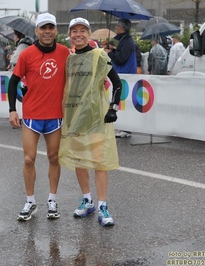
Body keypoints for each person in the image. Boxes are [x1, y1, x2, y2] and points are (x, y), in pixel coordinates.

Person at [59, 17, 121, 227]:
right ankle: (87, 201)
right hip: (74, 117)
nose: (78, 34)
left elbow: (117, 82)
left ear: (89, 34)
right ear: (70, 35)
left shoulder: (99, 55)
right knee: (79, 159)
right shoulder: (68, 59)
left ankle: (103, 206)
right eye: (74, 30)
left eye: (82, 30)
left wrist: (113, 108)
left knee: (98, 161)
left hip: (95, 116)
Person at [8, 13, 70, 221]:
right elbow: (13, 81)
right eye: (43, 28)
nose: (47, 31)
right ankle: (30, 201)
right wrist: (12, 109)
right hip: (32, 116)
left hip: (55, 116)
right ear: (36, 31)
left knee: (54, 158)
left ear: (55, 30)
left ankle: (52, 200)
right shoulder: (27, 54)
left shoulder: (64, 53)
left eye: (50, 27)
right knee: (29, 158)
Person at [105, 18, 136, 138]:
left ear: (122, 28)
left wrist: (110, 53)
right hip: (125, 74)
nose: (115, 27)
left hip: (125, 74)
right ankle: (125, 128)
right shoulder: (125, 40)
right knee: (123, 102)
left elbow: (120, 59)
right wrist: (113, 50)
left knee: (124, 102)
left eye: (117, 25)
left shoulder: (126, 41)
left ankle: (126, 129)